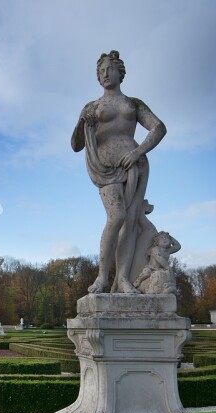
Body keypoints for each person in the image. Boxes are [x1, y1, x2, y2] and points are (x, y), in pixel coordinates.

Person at [72, 50, 167, 294]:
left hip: (135, 163)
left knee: (131, 219)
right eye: (100, 71)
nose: (104, 74)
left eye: (108, 69)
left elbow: (158, 128)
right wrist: (82, 122)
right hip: (105, 167)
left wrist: (138, 152)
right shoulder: (92, 107)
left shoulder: (133, 104)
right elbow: (76, 145)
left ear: (119, 72)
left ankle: (123, 279)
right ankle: (102, 277)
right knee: (117, 217)